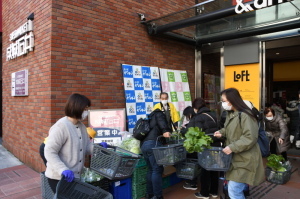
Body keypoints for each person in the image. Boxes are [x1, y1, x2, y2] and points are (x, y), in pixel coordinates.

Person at [44, 93, 106, 193]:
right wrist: (63, 169)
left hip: (75, 177)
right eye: (85, 109)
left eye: (87, 109)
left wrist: (98, 148)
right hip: (59, 178)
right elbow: (49, 151)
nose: (87, 112)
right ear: (77, 107)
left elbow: (85, 147)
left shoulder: (81, 126)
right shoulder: (61, 126)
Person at [214, 88, 264, 199]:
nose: (222, 103)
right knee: (234, 190)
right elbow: (231, 130)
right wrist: (221, 132)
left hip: (246, 158)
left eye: (223, 100)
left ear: (232, 100)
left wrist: (232, 147)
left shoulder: (245, 115)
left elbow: (250, 137)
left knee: (234, 190)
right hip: (237, 158)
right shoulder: (231, 114)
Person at [181, 98, 221, 199]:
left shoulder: (198, 117)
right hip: (215, 144)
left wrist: (183, 131)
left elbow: (193, 131)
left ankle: (204, 193)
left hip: (205, 146)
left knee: (205, 170)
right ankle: (214, 192)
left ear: (195, 108)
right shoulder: (213, 114)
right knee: (214, 168)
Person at [141, 109, 172, 199]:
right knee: (157, 170)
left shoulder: (149, 118)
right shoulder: (159, 114)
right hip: (153, 144)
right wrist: (166, 130)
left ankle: (149, 194)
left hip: (144, 145)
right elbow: (163, 125)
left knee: (151, 170)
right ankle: (158, 196)